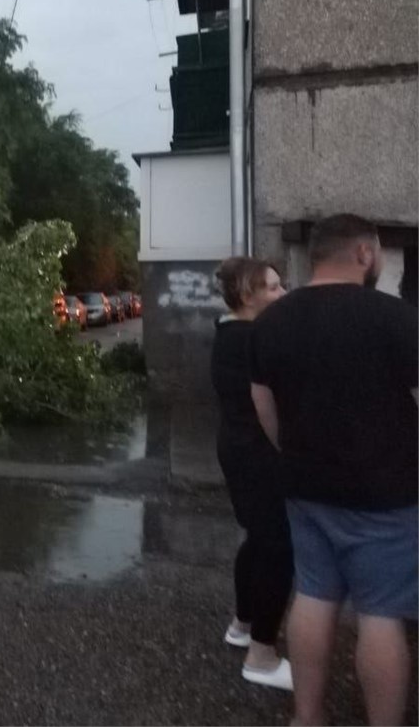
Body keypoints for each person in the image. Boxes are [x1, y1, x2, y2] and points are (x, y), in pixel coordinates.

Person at [250, 214, 419, 726]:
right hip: (386, 495)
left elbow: (264, 406)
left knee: (315, 596)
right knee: (381, 615)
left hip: (305, 488)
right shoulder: (398, 318)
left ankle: (308, 717)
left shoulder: (271, 321)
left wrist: (296, 453)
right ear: (365, 253)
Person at [211, 256, 293, 690]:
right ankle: (262, 655)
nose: (283, 294)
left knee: (258, 539)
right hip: (259, 454)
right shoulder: (252, 339)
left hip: (238, 449)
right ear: (248, 296)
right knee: (278, 547)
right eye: (274, 287)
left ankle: (243, 624)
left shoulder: (229, 334)